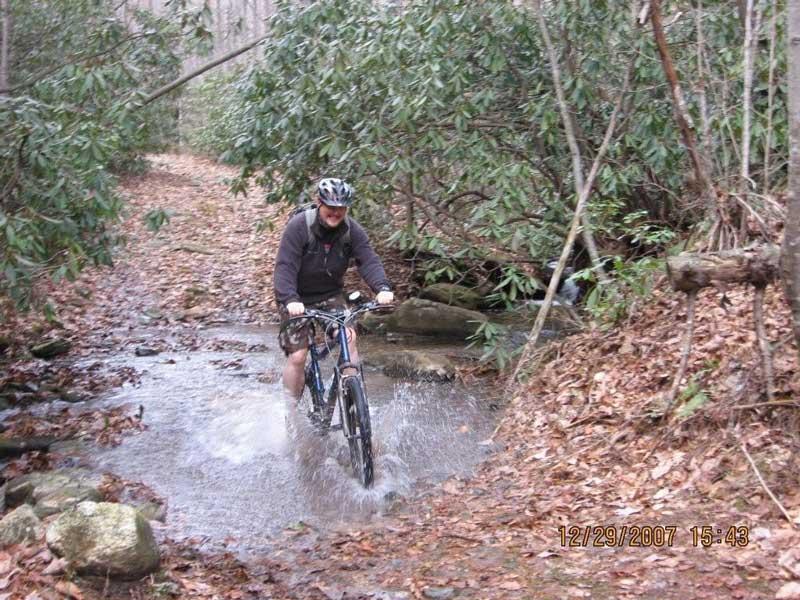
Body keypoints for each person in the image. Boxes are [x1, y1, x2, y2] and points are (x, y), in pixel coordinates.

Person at [273, 178, 394, 398]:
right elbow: (285, 266)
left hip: (330, 295)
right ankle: (289, 412)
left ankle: (352, 399)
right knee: (299, 356)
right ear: (320, 203)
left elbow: (368, 260)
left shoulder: (351, 230)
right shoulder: (299, 226)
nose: (335, 213)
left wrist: (382, 288)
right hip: (296, 298)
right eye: (331, 207)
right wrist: (290, 299)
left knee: (348, 337)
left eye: (341, 208)